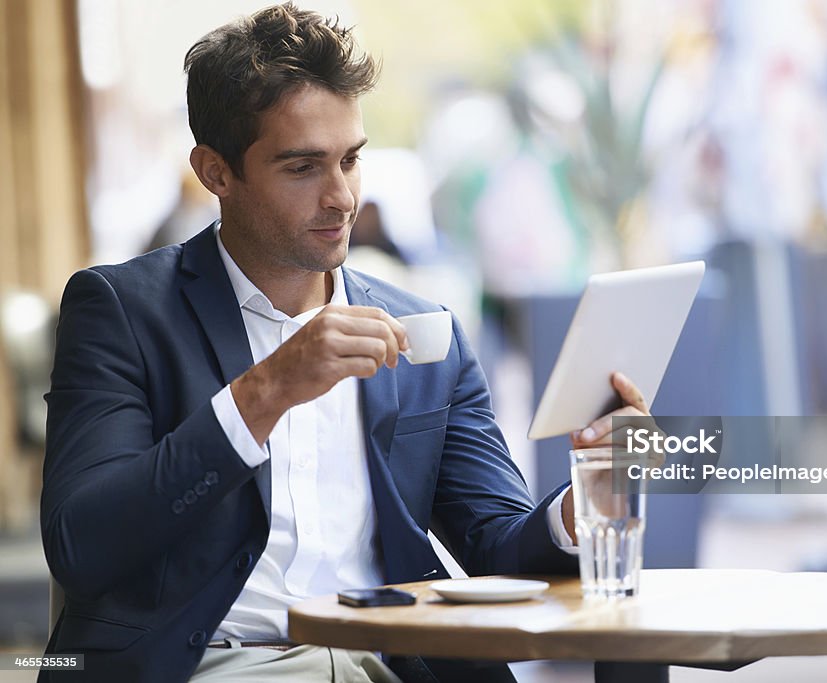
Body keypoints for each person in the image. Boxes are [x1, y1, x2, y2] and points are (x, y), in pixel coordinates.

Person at [39, 4, 648, 682]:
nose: (342, 198)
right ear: (215, 172)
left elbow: (497, 550)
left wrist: (588, 494)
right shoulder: (123, 310)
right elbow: (81, 543)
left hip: (392, 662)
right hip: (215, 665)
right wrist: (265, 390)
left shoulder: (425, 331)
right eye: (303, 167)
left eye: (351, 160)